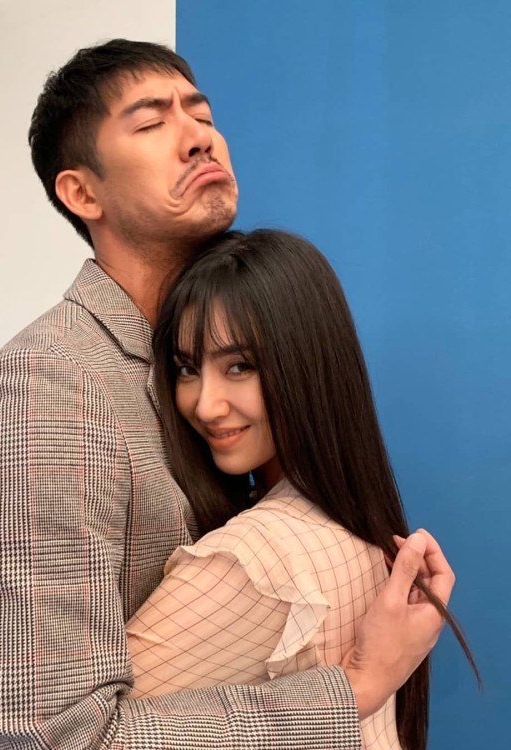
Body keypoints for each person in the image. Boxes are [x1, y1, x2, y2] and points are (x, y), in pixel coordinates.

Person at [0, 39, 455, 749]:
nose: (198, 138)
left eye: (203, 116)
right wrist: (353, 689)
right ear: (83, 193)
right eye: (152, 123)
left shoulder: (182, 356)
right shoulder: (45, 390)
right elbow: (50, 739)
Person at [125, 229, 477, 749]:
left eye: (239, 366)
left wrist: (357, 688)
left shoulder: (251, 558)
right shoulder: (355, 524)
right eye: (187, 369)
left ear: (307, 366)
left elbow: (82, 736)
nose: (205, 404)